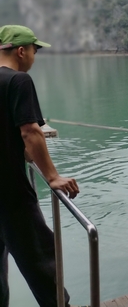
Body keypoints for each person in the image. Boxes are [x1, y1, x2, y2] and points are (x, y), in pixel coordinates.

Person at [0, 25, 80, 307]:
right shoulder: (18, 81)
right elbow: (30, 131)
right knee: (41, 261)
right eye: (35, 50)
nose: (34, 56)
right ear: (21, 51)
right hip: (11, 195)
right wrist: (53, 177)